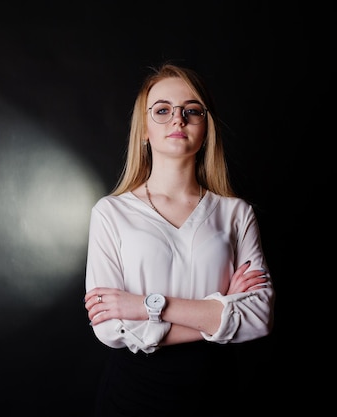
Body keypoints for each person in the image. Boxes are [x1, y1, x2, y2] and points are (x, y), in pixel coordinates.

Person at [83, 62, 275, 417]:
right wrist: (221, 310)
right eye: (162, 110)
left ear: (206, 127)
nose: (178, 119)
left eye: (192, 110)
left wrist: (145, 306)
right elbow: (110, 327)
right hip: (133, 395)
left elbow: (259, 316)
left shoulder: (235, 214)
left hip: (215, 392)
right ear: (144, 130)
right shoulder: (110, 213)